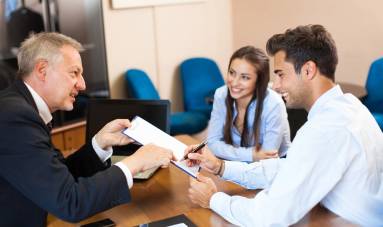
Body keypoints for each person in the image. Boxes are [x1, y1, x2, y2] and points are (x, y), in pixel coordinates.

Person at [186, 24, 383, 226]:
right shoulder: (350, 107)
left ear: (308, 70)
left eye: (281, 74)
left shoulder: (324, 130)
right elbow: (290, 168)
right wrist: (221, 167)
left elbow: (268, 217)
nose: (277, 85)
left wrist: (212, 198)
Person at [0, 32, 174, 227]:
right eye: (74, 73)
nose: (82, 85)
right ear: (42, 70)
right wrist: (134, 163)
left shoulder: (21, 106)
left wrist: (99, 144)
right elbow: (70, 202)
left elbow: (58, 177)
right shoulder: (15, 117)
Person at [207, 46, 290, 162]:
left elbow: (267, 158)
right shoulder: (221, 94)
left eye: (245, 77)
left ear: (259, 81)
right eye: (232, 73)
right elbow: (212, 143)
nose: (234, 82)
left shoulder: (273, 104)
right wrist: (251, 155)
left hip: (272, 169)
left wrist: (229, 153)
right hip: (235, 164)